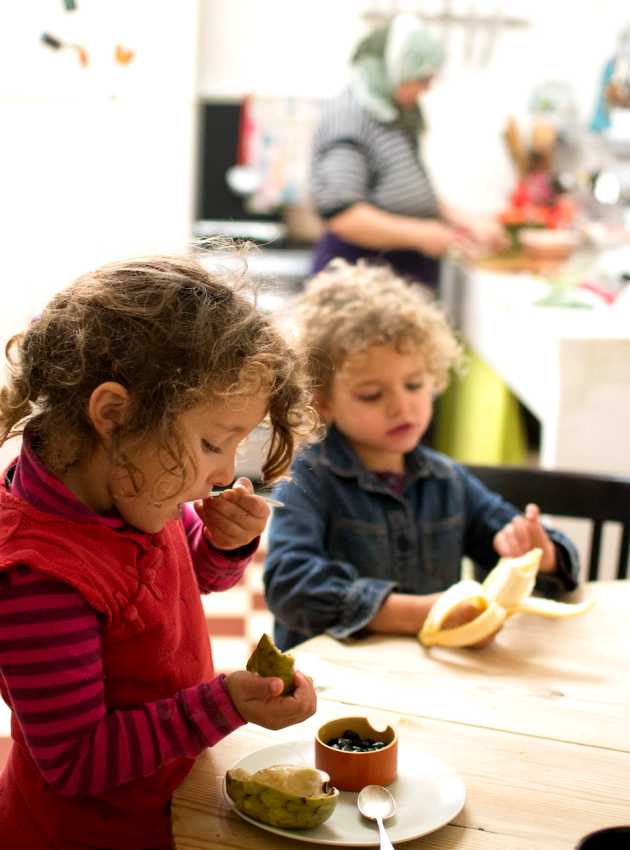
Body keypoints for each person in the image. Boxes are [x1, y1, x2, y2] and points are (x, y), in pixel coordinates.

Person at [0, 254, 318, 849]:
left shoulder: (124, 488)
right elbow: (75, 762)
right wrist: (221, 706)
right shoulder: (40, 582)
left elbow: (179, 579)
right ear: (114, 415)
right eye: (210, 443)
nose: (225, 473)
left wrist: (225, 543)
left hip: (168, 792)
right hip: (88, 833)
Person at [264, 260, 579, 651]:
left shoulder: (447, 480)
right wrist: (420, 612)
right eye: (372, 395)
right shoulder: (310, 478)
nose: (402, 407)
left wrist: (542, 554)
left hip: (429, 682)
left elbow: (541, 560)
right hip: (336, 685)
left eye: (414, 385)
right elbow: (290, 586)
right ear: (321, 400)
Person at [309, 13, 506, 288]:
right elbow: (343, 215)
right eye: (422, 78)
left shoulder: (391, 112)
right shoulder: (351, 115)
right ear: (394, 68)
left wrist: (463, 219)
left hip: (396, 274)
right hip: (360, 279)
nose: (427, 88)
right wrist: (423, 234)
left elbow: (403, 188)